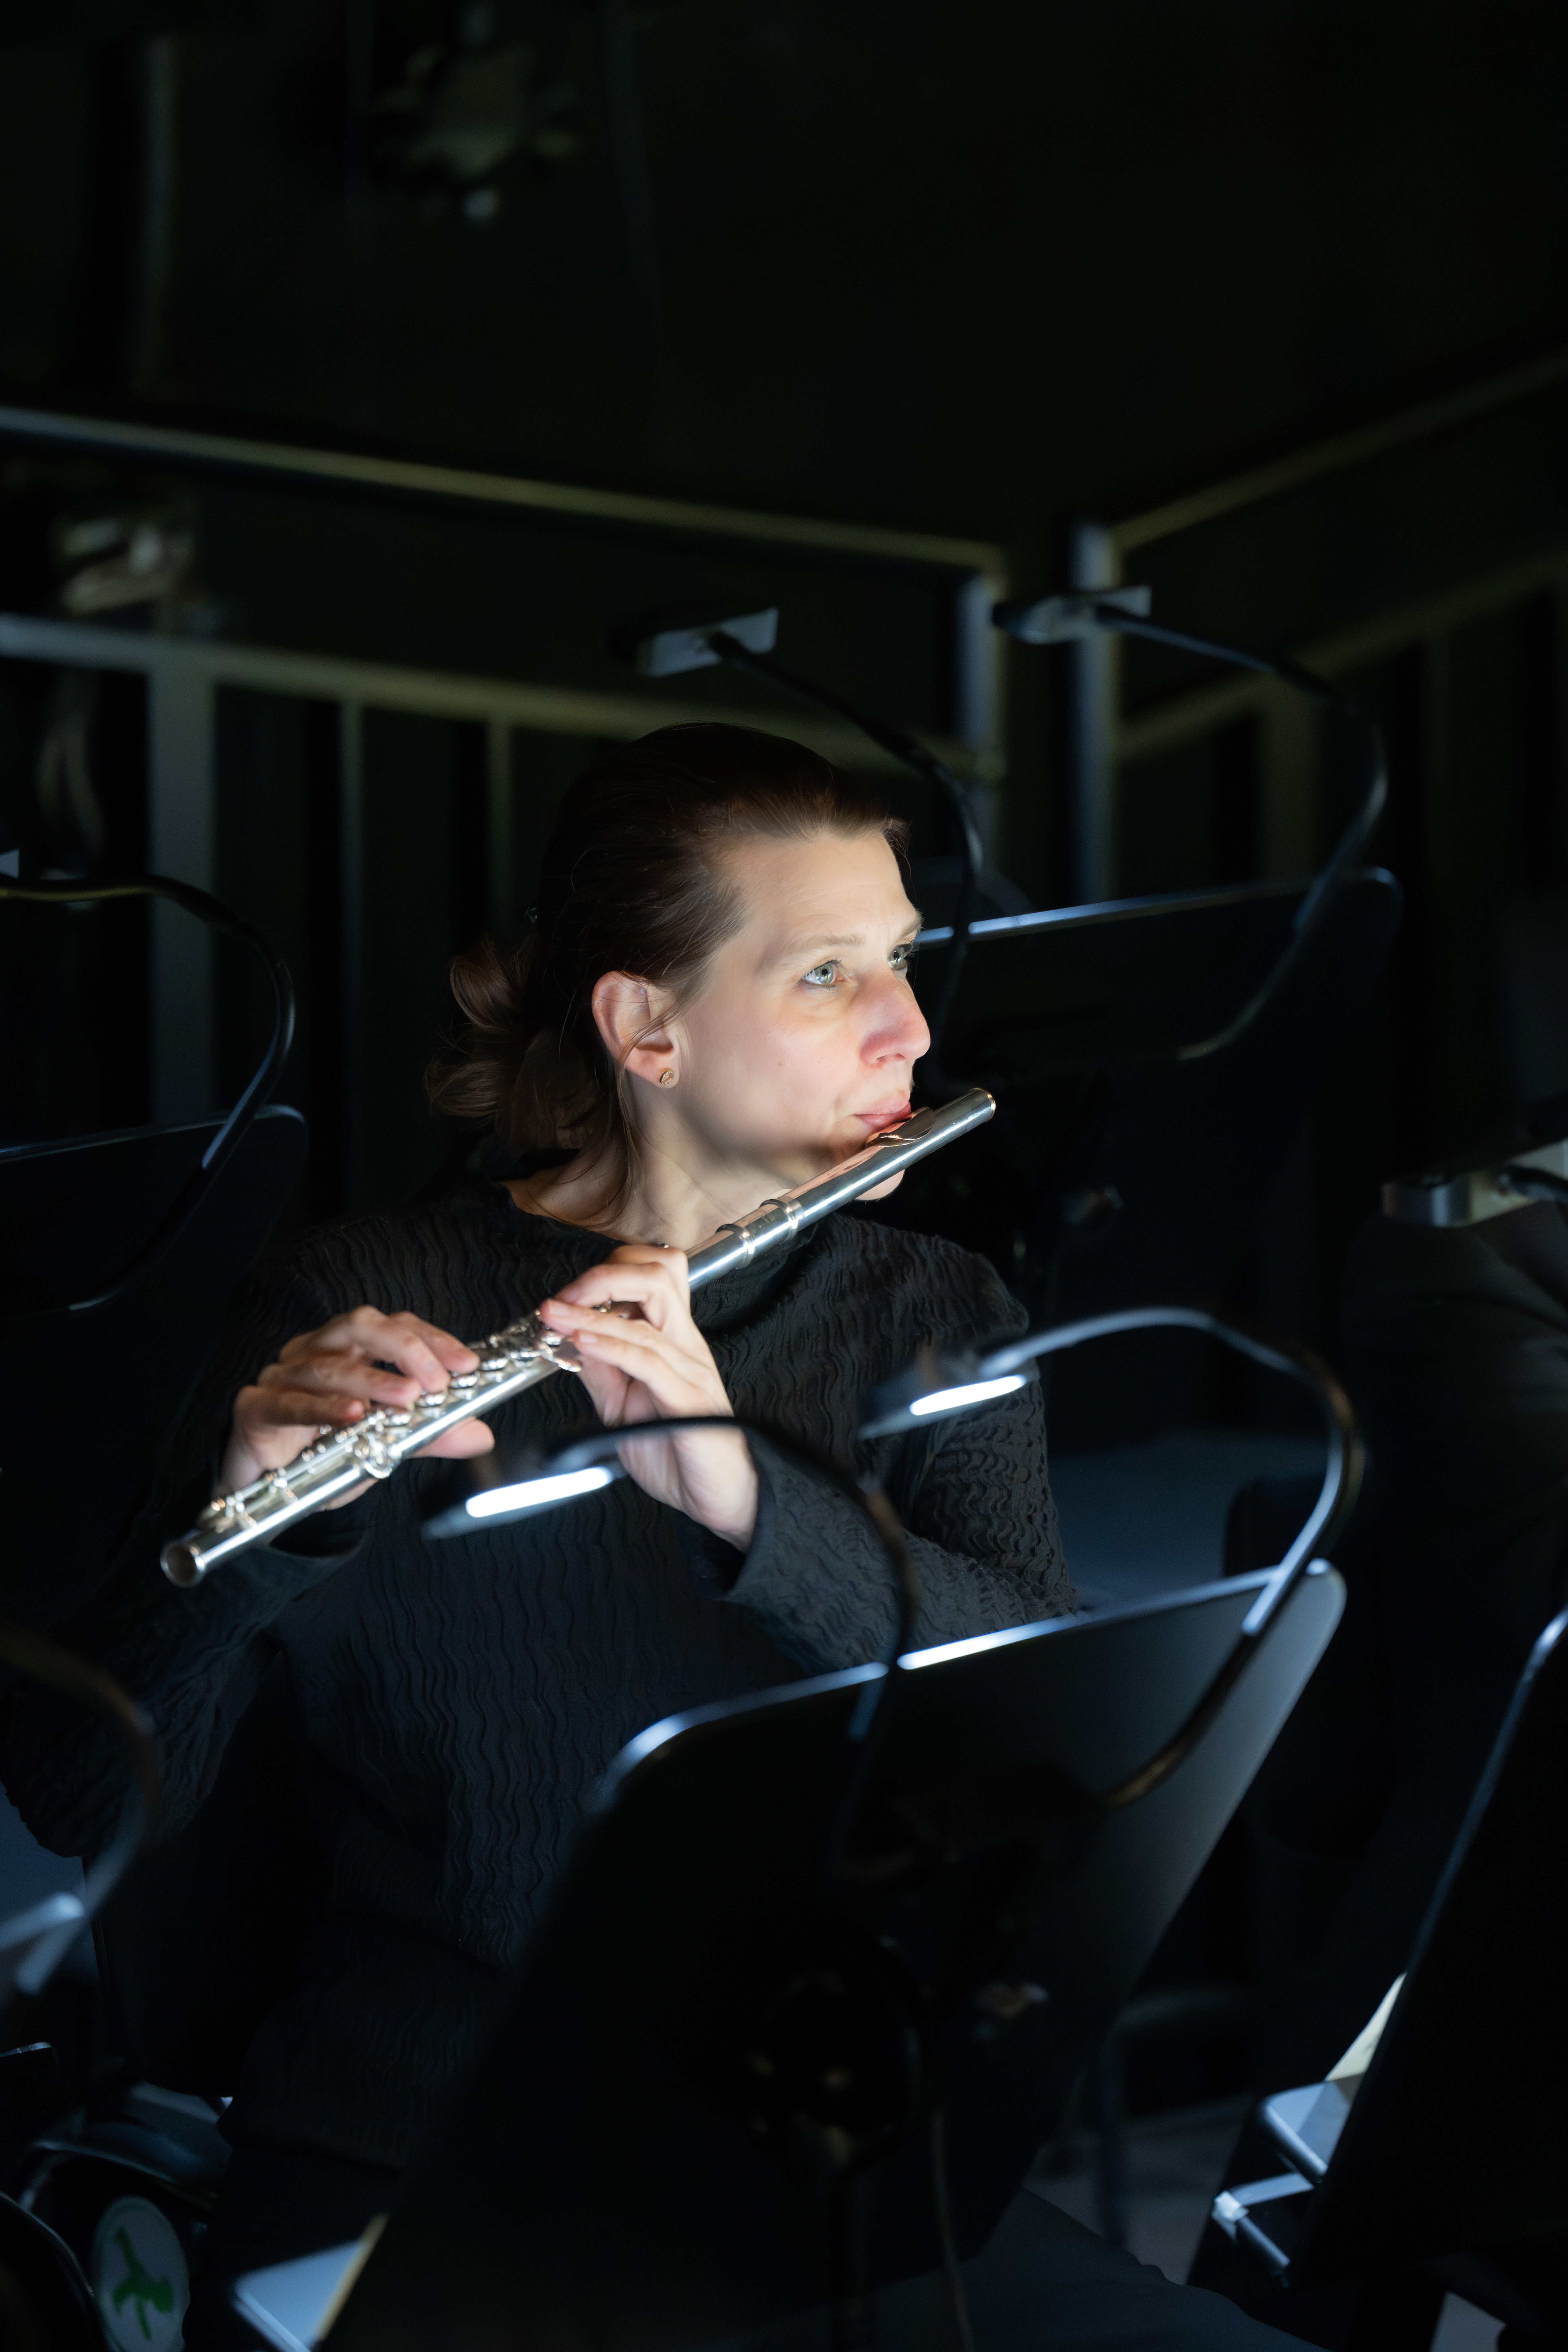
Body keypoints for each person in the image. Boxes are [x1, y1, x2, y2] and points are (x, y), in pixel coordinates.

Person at [3, 724, 1299, 2348]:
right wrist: (259, 1531)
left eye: (901, 960)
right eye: (827, 975)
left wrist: (747, 1497)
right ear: (647, 1029)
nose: (908, 1026)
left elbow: (1048, 1734)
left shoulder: (935, 1305)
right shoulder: (360, 1300)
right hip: (426, 2166)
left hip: (814, 2145)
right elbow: (76, 1788)